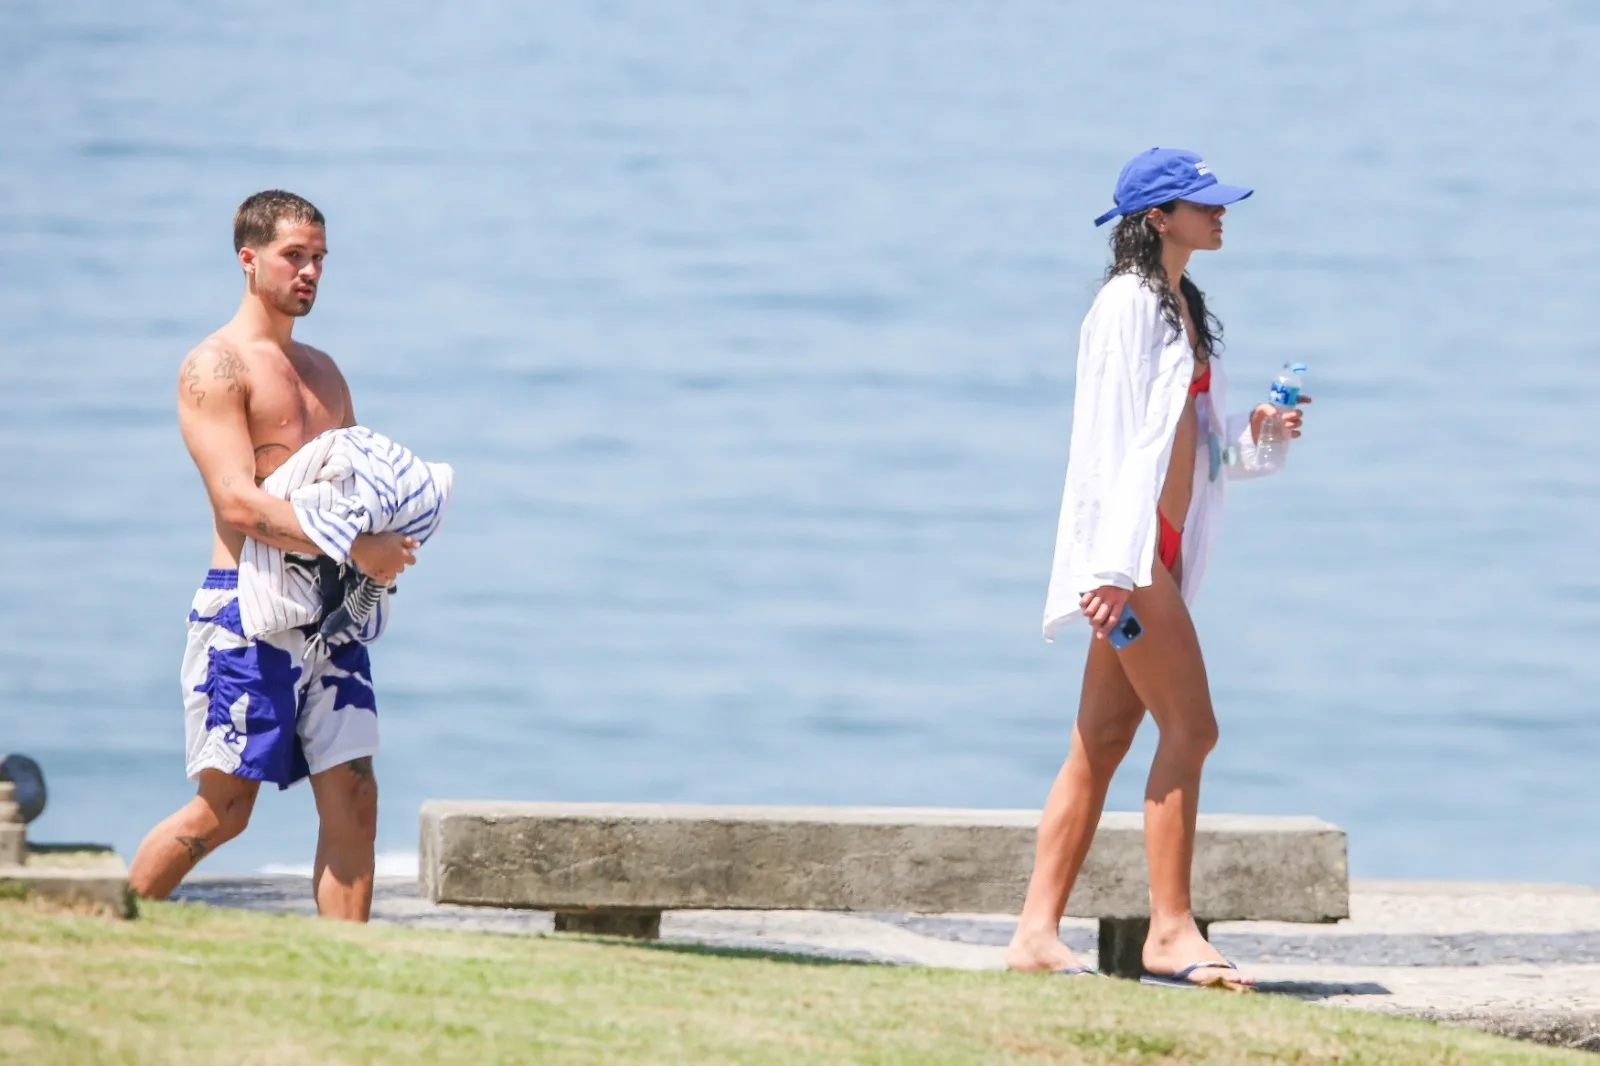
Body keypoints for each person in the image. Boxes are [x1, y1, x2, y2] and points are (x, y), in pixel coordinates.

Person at [1006, 149, 1310, 987]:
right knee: (1194, 728)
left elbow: (1186, 451)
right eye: (1201, 203)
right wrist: (1107, 569)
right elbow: (1106, 442)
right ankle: (1169, 931)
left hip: (1158, 552)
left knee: (1100, 742)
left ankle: (1035, 935)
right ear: (1155, 219)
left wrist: (1259, 438)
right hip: (1129, 559)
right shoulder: (1126, 307)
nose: (1221, 213)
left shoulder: (1181, 304)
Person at [128, 191, 418, 920]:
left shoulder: (323, 371)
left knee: (354, 793)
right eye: (296, 256)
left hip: (332, 614)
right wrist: (356, 543)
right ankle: (109, 924)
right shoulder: (214, 368)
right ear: (248, 258)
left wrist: (396, 533)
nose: (311, 271)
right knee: (224, 809)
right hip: (246, 610)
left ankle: (345, 976)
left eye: (319, 257)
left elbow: (353, 485)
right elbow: (238, 502)